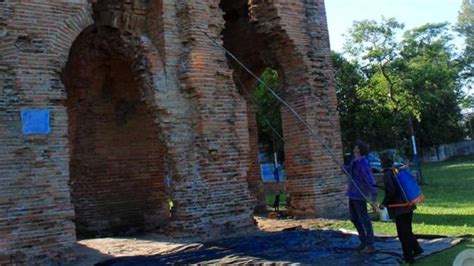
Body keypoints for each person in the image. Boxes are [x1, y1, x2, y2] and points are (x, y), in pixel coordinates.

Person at [379, 152, 423, 264]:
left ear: (382, 162)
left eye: (380, 160)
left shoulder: (387, 175)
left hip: (400, 208)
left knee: (403, 234)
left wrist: (384, 203)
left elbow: (391, 191)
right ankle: (417, 249)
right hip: (409, 205)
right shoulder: (395, 171)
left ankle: (409, 258)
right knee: (407, 230)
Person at [346, 140, 378, 254]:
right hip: (352, 193)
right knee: (354, 218)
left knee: (364, 219)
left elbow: (370, 180)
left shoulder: (363, 163)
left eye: (355, 146)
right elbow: (348, 171)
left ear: (359, 149)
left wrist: (374, 199)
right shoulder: (354, 160)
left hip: (360, 194)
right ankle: (363, 240)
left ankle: (370, 245)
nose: (353, 147)